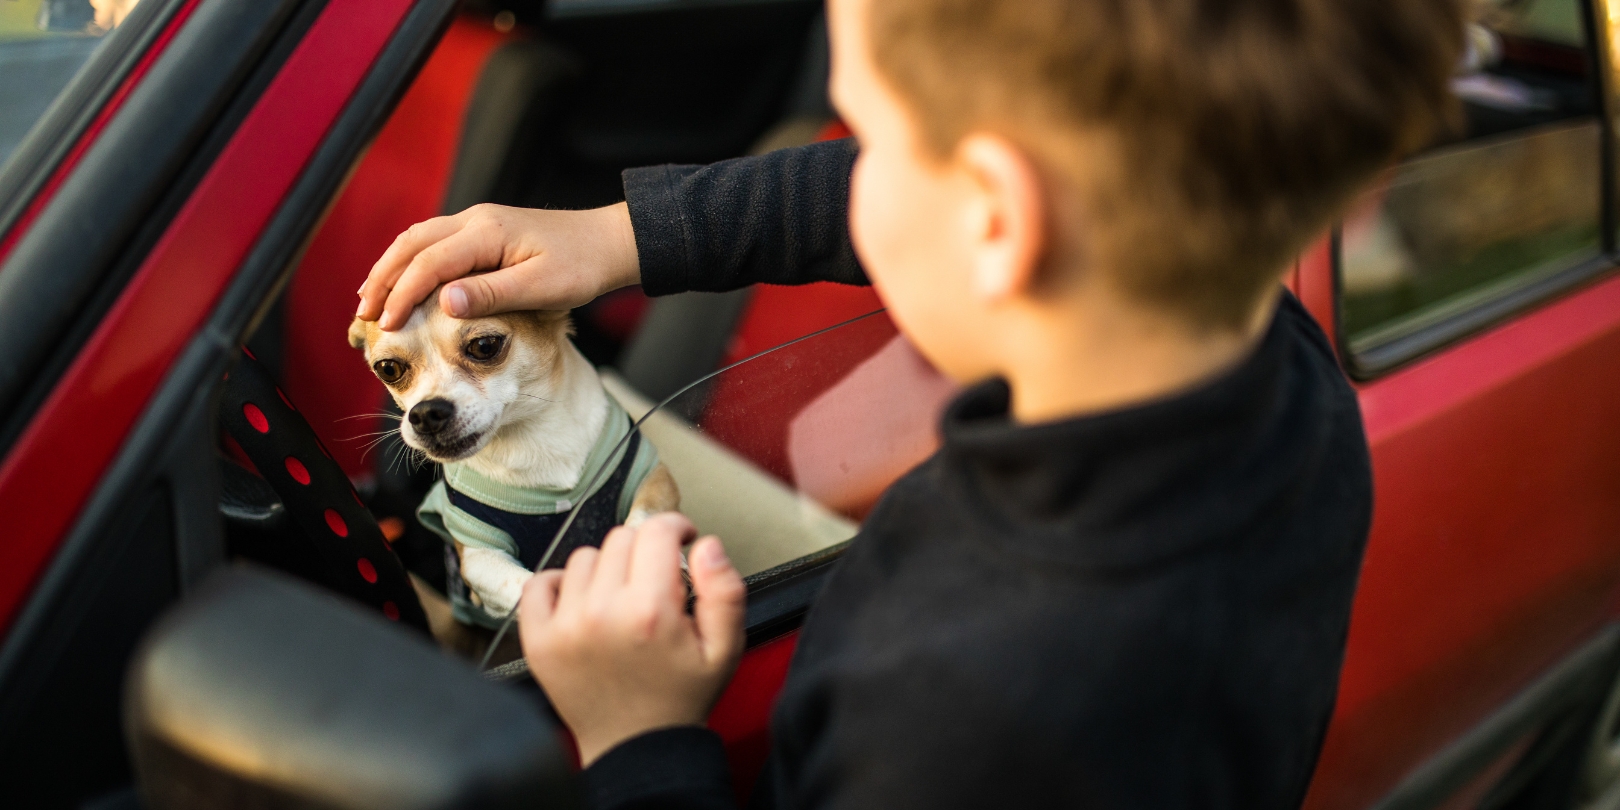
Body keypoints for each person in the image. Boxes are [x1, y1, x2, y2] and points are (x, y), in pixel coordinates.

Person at [355, 0, 1463, 806]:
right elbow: (892, 197)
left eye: (868, 139)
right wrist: (619, 236)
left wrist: (641, 743)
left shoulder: (956, 722)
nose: (847, 169)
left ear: (994, 216)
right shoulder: (1286, 375)